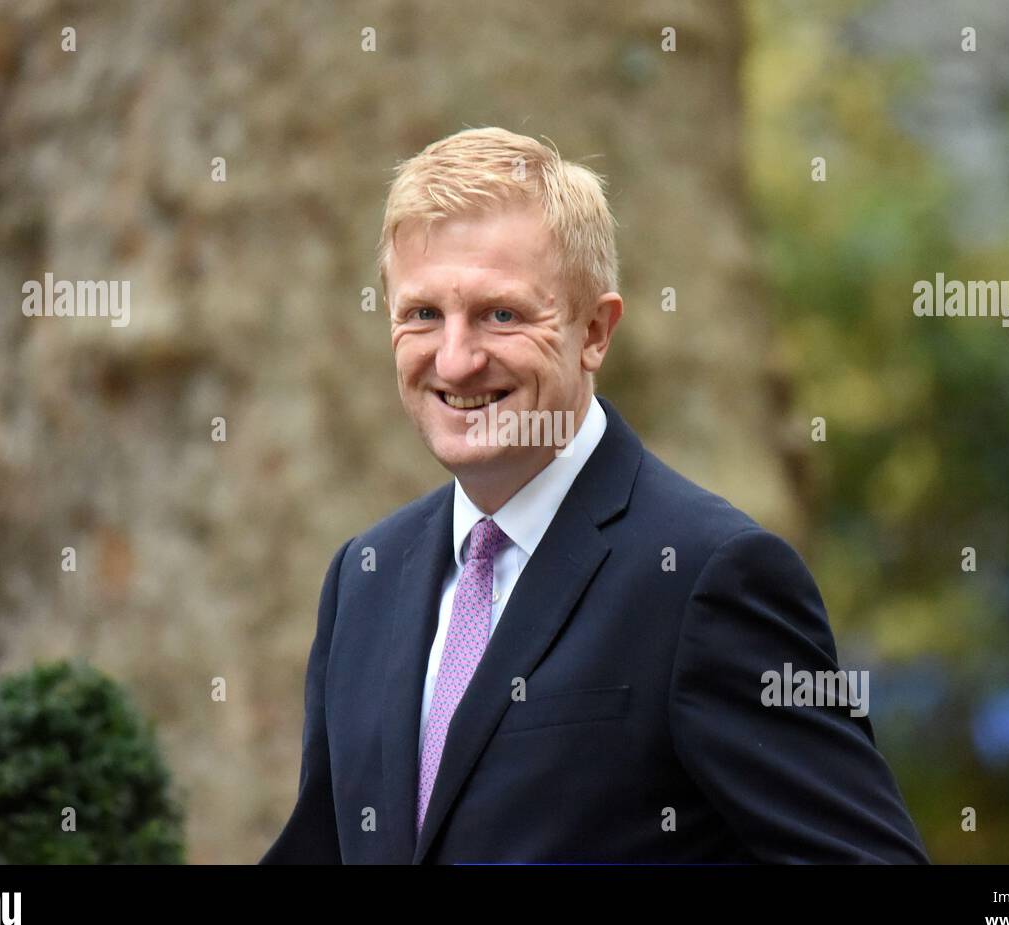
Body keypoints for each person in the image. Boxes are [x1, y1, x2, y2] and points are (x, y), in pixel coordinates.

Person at [261, 126, 929, 864]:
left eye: (501, 314)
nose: (456, 357)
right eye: (422, 314)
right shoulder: (364, 577)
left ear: (596, 332)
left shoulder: (714, 574)